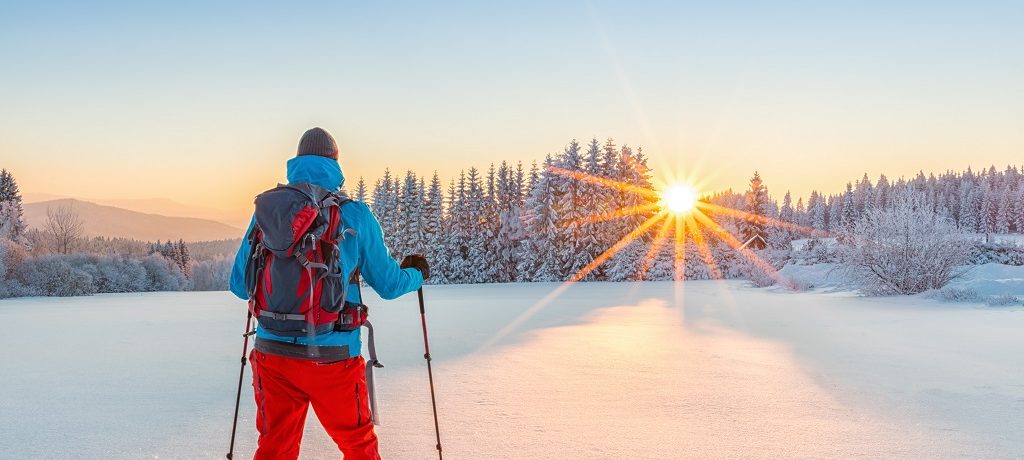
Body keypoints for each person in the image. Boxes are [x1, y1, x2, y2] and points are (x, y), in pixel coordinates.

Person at [229, 127, 430, 460]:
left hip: (272, 355)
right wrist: (417, 273)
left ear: (296, 161)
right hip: (333, 358)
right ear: (335, 163)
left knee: (274, 451)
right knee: (359, 448)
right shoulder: (354, 215)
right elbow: (390, 284)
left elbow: (239, 285)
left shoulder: (267, 213)